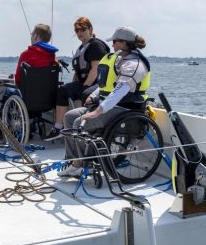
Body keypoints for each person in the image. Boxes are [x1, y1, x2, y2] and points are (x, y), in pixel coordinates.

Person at [59, 26, 150, 176]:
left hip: (125, 109)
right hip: (109, 105)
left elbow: (120, 90)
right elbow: (107, 85)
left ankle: (82, 164)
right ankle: (74, 161)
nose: (112, 45)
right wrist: (94, 96)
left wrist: (97, 111)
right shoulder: (120, 59)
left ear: (124, 43)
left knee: (79, 123)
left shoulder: (134, 65)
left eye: (115, 42)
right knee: (69, 117)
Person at [44, 17, 109, 141]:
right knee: (62, 90)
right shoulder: (81, 48)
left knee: (81, 93)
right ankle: (60, 127)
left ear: (90, 29)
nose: (79, 33)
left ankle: (71, 128)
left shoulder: (96, 46)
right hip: (83, 82)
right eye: (77, 30)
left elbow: (95, 70)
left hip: (96, 84)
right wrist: (72, 86)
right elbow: (78, 72)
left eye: (82, 29)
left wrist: (85, 87)